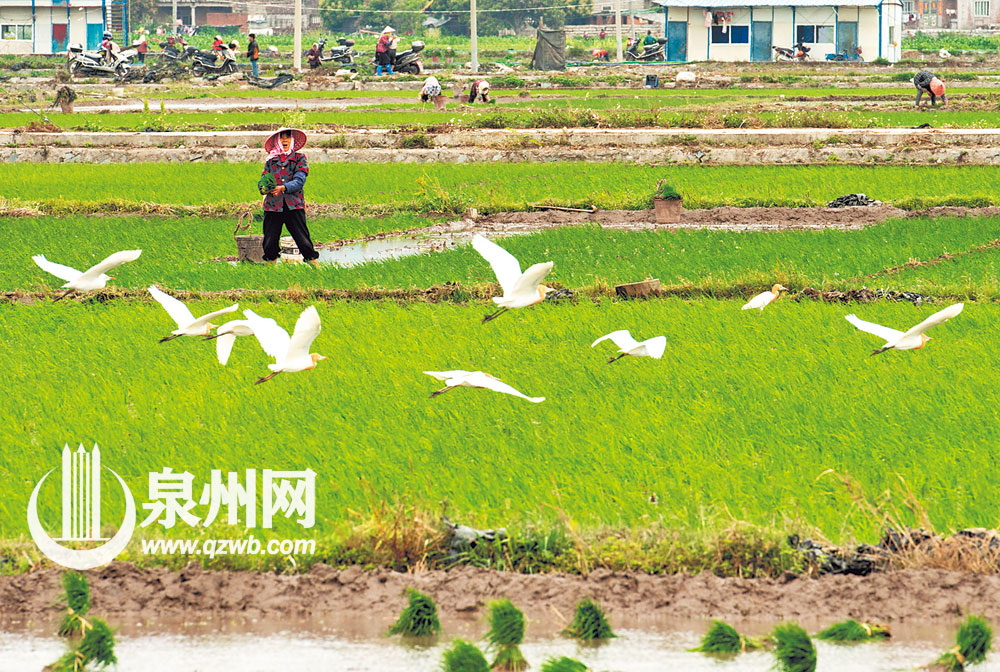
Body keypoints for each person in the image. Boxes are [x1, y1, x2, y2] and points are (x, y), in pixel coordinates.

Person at [260, 128, 319, 265]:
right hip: (273, 206)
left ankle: (318, 270)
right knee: (269, 242)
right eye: (281, 138)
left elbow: (300, 180)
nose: (285, 140)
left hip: (293, 205)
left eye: (287, 137)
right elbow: (263, 178)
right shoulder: (270, 161)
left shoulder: (299, 159)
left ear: (292, 140)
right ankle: (269, 275)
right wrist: (263, 188)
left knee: (303, 240)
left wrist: (283, 188)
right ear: (277, 141)